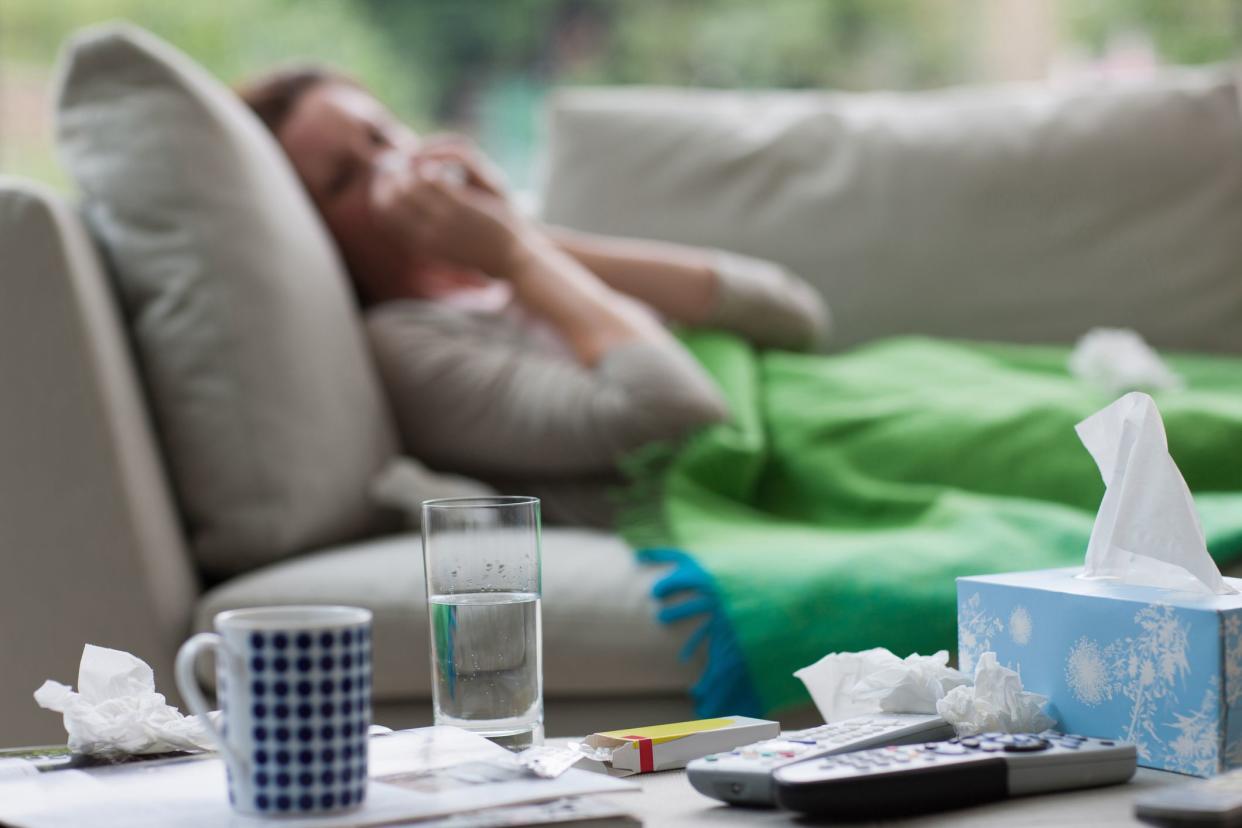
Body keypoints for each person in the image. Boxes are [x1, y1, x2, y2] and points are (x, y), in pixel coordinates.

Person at [239, 66, 828, 525]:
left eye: (381, 134)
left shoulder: (521, 265)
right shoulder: (405, 343)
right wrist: (516, 255)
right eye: (344, 179)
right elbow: (680, 416)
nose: (391, 165)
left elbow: (795, 314)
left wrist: (525, 241)